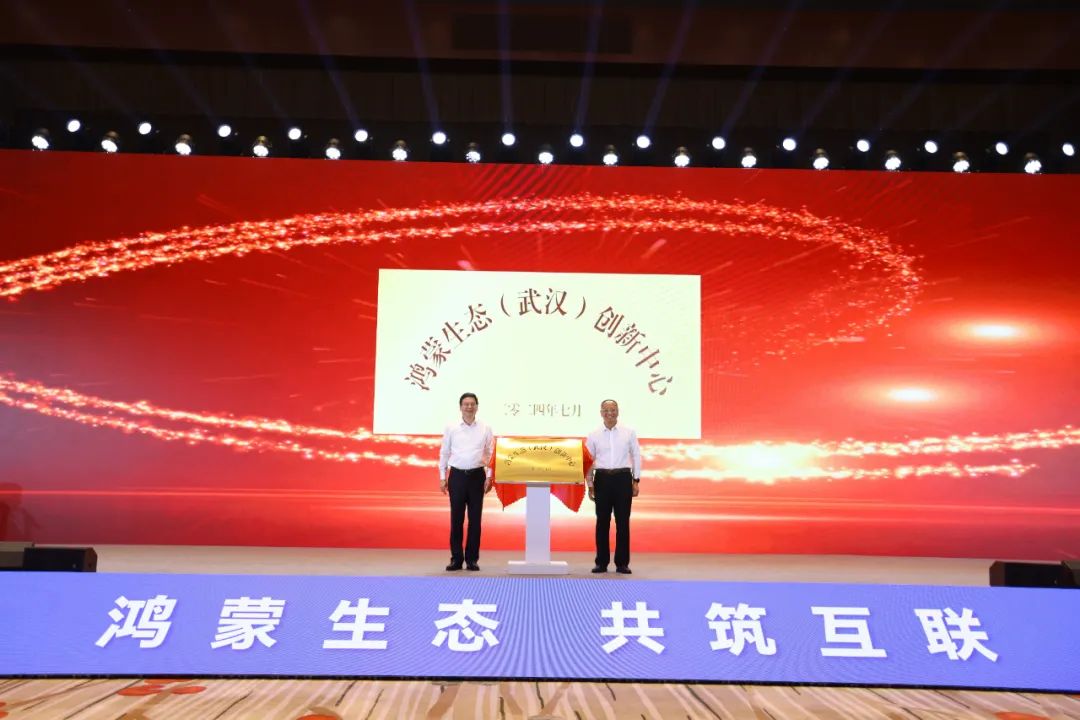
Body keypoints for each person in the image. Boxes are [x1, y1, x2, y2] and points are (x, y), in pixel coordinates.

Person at [438, 392, 494, 571]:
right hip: (457, 476)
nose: (469, 407)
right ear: (460, 407)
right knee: (456, 519)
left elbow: (491, 453)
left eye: (472, 404)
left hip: (477, 476)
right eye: (466, 404)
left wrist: (489, 476)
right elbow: (444, 452)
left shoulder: (485, 428)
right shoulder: (451, 427)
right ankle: (456, 559)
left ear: (477, 406)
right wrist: (442, 477)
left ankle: (472, 559)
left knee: (475, 520)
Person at [585, 399, 641, 574]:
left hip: (623, 478)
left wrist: (636, 480)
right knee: (602, 522)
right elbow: (588, 460)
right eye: (606, 410)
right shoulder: (593, 434)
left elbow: (636, 456)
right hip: (602, 479)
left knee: (623, 522)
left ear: (618, 411)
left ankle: (622, 563)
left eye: (613, 409)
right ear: (601, 413)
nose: (610, 413)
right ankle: (601, 562)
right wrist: (590, 483)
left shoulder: (628, 432)